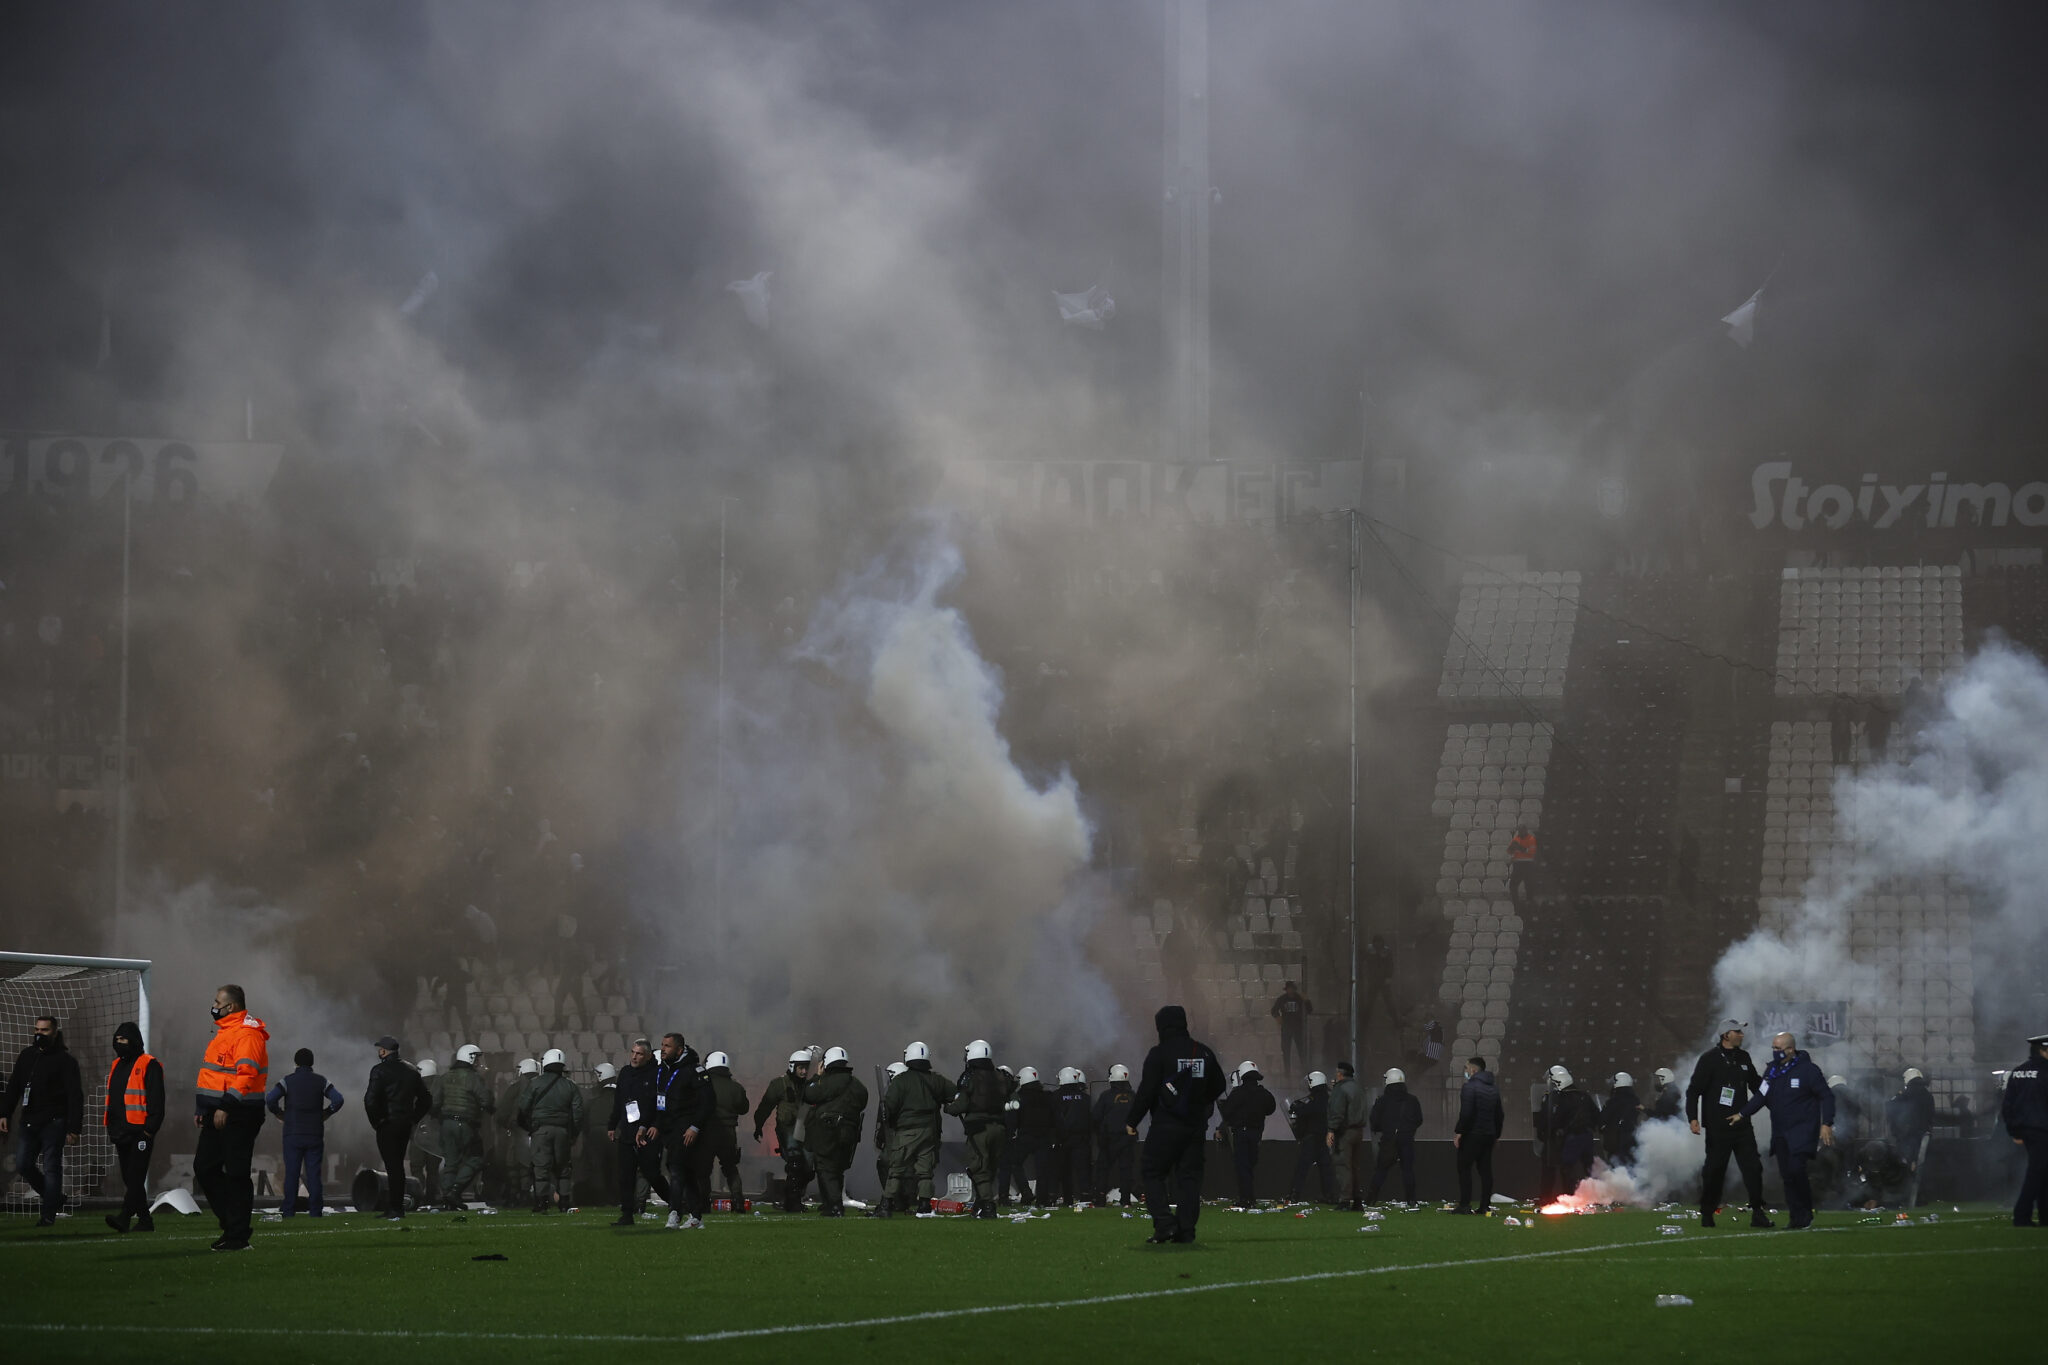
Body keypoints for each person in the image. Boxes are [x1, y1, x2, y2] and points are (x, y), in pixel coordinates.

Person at [1126, 1003, 1226, 1244]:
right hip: (1194, 1128)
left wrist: (1132, 1120)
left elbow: (1146, 1091)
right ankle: (1186, 1231)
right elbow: (1219, 1086)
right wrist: (1199, 1103)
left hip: (1165, 1125)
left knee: (1152, 1172)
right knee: (1189, 1179)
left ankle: (1164, 1223)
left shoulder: (1159, 1054)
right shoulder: (1203, 1052)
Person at [194, 985, 270, 1251]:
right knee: (204, 1168)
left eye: (217, 1002)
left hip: (239, 1113)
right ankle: (233, 1225)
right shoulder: (226, 1033)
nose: (214, 1006)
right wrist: (203, 1109)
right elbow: (213, 1077)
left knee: (236, 1174)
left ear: (231, 1007)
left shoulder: (248, 1035)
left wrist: (225, 1106)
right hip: (219, 1112)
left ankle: (237, 1235)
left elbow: (246, 1075)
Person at [1737, 1032, 1835, 1229]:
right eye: (1773, 1048)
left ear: (1790, 1049)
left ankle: (1805, 1212)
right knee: (1787, 1176)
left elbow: (1827, 1096)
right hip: (1780, 1132)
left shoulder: (1808, 1070)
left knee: (1797, 1169)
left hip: (1803, 1130)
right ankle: (1795, 1217)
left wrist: (1826, 1123)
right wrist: (1742, 1113)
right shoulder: (1772, 1071)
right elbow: (1761, 1096)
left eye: (1778, 1049)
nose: (1775, 1052)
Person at [1687, 1021, 1772, 1229]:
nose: (1742, 1034)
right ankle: (1707, 1213)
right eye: (1738, 1031)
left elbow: (1756, 1084)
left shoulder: (1743, 1057)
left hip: (1742, 1125)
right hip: (1718, 1127)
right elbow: (1693, 1091)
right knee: (1714, 1171)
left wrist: (1775, 1087)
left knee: (1753, 1168)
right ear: (1726, 1035)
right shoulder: (1709, 1059)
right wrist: (1693, 1118)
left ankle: (1757, 1213)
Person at [1, 1015, 83, 1227]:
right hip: (28, 1122)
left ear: (55, 1033)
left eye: (44, 1030)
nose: (39, 1034)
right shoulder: (27, 1056)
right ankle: (54, 1198)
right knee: (23, 1164)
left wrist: (74, 1127)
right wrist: (5, 1113)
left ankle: (48, 1215)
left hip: (54, 1122)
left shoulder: (66, 1061)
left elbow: (75, 1096)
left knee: (51, 1167)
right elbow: (14, 1088)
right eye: (37, 1030)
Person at [101, 1021, 164, 1233]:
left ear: (134, 1040)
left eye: (124, 1039)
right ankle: (146, 1221)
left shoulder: (149, 1064)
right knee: (130, 1179)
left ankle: (124, 1218)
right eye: (117, 1039)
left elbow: (157, 1100)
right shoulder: (116, 1064)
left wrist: (149, 1130)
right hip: (120, 1131)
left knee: (135, 1177)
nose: (119, 1043)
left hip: (140, 1132)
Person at [265, 1047, 342, 1218]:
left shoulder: (287, 1081)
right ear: (312, 1063)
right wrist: (326, 1113)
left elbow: (270, 1099)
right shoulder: (321, 1081)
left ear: (295, 1062)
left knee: (291, 1173)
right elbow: (338, 1099)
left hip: (292, 1133)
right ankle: (315, 1211)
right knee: (314, 1174)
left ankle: (288, 1210)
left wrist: (279, 1113)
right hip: (314, 1132)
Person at [873, 1041, 948, 1216]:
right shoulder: (933, 1082)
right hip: (928, 1135)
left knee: (896, 1168)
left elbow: (889, 1110)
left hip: (906, 1133)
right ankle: (923, 1205)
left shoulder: (902, 1083)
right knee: (924, 1172)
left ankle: (888, 1204)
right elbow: (953, 1095)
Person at [363, 1035, 433, 1220]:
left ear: (384, 1051)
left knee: (393, 1167)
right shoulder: (411, 1070)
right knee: (398, 1167)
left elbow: (370, 1100)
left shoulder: (379, 1070)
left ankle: (395, 1208)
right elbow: (426, 1099)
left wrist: (376, 1122)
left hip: (387, 1125)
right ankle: (395, 1207)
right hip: (404, 1125)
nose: (379, 1051)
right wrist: (413, 1119)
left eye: (380, 1049)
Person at [608, 1037, 674, 1226]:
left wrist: (655, 1125)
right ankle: (627, 1214)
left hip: (648, 1134)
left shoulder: (658, 1074)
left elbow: (661, 1105)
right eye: (633, 1052)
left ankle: (676, 1204)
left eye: (639, 1054)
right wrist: (612, 1125)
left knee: (652, 1173)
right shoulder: (626, 1073)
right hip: (628, 1131)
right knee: (625, 1175)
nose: (634, 1057)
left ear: (648, 1056)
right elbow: (619, 1101)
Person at [652, 1032, 714, 1230]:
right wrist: (656, 1124)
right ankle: (696, 1217)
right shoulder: (662, 1070)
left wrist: (694, 1126)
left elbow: (708, 1101)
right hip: (668, 1129)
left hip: (686, 1128)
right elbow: (660, 1102)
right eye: (662, 1045)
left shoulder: (694, 1071)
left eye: (667, 1046)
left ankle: (675, 1213)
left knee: (676, 1168)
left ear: (679, 1050)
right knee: (685, 1172)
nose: (663, 1049)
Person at [802, 1045, 869, 1217]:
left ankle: (835, 1206)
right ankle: (829, 1204)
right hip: (850, 1132)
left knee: (825, 1168)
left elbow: (808, 1094)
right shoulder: (857, 1084)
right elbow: (863, 1100)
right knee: (837, 1169)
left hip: (827, 1131)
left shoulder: (825, 1081)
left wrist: (817, 1075)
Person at [946, 1039, 1009, 1219]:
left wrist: (949, 1108)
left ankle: (987, 1205)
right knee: (990, 1167)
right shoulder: (1001, 1076)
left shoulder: (971, 1077)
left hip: (979, 1129)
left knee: (978, 1167)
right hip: (1000, 1128)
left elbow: (962, 1103)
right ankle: (981, 1203)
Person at [517, 1048, 584, 1215]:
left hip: (540, 1130)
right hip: (562, 1131)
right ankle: (564, 1202)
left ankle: (541, 1203)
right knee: (563, 1169)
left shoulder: (535, 1083)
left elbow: (523, 1108)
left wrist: (529, 1127)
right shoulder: (570, 1086)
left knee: (541, 1168)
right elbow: (577, 1114)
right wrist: (573, 1134)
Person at [753, 1049, 815, 1211]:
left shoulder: (809, 1086)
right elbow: (765, 1106)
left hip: (804, 1130)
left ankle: (790, 1198)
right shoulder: (779, 1084)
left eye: (806, 1068)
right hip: (786, 1129)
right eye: (800, 1068)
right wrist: (758, 1126)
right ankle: (793, 1202)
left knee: (809, 1169)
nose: (804, 1071)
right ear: (792, 1066)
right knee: (795, 1163)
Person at [1999, 1031, 2048, 1227]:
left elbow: (2008, 1105)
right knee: (2037, 1172)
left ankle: (2045, 1216)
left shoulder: (2018, 1072)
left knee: (2043, 1172)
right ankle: (2021, 1215)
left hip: (2026, 1130)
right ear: (2044, 1050)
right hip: (2043, 1129)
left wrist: (2014, 1131)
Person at [436, 1043, 495, 1208]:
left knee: (450, 1163)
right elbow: (487, 1101)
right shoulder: (474, 1078)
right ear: (470, 1058)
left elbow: (434, 1103)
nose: (478, 1062)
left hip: (446, 1124)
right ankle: (455, 1192)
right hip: (466, 1124)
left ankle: (448, 1198)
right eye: (476, 1058)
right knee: (476, 1158)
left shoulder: (445, 1077)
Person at [1218, 1061, 1276, 1208]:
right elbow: (1271, 1108)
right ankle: (1249, 1197)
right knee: (1249, 1165)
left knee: (1242, 1166)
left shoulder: (1238, 1093)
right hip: (1256, 1134)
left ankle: (1246, 1198)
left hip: (1241, 1134)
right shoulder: (1264, 1093)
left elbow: (1227, 1112)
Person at [1452, 1056, 1503, 1214]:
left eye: (1466, 1068)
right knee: (1485, 1170)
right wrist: (1496, 1135)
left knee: (1464, 1168)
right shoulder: (1494, 1088)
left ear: (1473, 1070)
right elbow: (1499, 1115)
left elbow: (1466, 1113)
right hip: (1488, 1135)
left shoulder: (1469, 1087)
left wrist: (1459, 1131)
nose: (1465, 1071)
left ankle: (1465, 1205)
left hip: (1472, 1134)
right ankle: (1484, 1206)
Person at [1537, 1066, 1599, 1196]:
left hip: (1559, 1139)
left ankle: (1548, 1198)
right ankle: (1595, 1196)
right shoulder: (1584, 1096)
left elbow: (1547, 1119)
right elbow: (1596, 1116)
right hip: (1585, 1137)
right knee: (1588, 1170)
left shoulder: (1555, 1098)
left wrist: (1544, 1134)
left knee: (1555, 1170)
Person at [1366, 1067, 1423, 1204]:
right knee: (1407, 1170)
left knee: (1381, 1170)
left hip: (1389, 1139)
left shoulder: (1382, 1100)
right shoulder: (1412, 1100)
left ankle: (1371, 1199)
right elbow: (1418, 1119)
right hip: (1407, 1138)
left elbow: (1374, 1121)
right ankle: (1411, 1199)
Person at [702, 1051, 749, 1208]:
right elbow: (744, 1108)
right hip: (728, 1133)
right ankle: (738, 1201)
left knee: (704, 1168)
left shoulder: (703, 1084)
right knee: (730, 1168)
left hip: (707, 1132)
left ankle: (703, 1202)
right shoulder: (736, 1087)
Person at [1011, 1066, 1058, 1206]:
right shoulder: (1048, 1096)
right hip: (1044, 1138)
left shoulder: (1019, 1097)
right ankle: (1042, 1200)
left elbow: (1014, 1118)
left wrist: (1012, 1132)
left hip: (1026, 1137)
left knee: (1015, 1163)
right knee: (1042, 1170)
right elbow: (1055, 1118)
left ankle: (1026, 1193)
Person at [496, 1057, 539, 1209]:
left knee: (516, 1164)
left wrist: (507, 1124)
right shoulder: (543, 1085)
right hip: (538, 1131)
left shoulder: (515, 1087)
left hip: (519, 1131)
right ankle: (528, 1194)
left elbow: (501, 1112)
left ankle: (516, 1195)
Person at [1092, 1062, 1137, 1205]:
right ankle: (1125, 1200)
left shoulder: (1106, 1096)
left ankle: (1100, 1199)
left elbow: (1096, 1116)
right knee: (1126, 1171)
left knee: (1103, 1170)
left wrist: (1100, 1133)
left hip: (1109, 1139)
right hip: (1128, 1139)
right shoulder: (1133, 1096)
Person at [1287, 1070, 1335, 1204]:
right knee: (1325, 1168)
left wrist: (1298, 1108)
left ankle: (1294, 1195)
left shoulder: (1318, 1099)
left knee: (1302, 1167)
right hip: (1324, 1138)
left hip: (1313, 1138)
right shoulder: (1328, 1097)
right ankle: (1329, 1195)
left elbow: (1310, 1110)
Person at [1050, 1067, 1094, 1206]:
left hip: (1063, 1140)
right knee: (1083, 1170)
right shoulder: (1086, 1098)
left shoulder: (1055, 1096)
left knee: (1063, 1171)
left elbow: (1053, 1119)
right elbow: (1093, 1118)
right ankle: (1086, 1197)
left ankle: (1066, 1198)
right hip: (1082, 1140)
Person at [1326, 1061, 1367, 1210]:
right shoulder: (1357, 1087)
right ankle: (1357, 1200)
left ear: (1340, 1074)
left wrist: (1331, 1130)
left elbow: (1337, 1111)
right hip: (1358, 1131)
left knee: (1343, 1166)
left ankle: (1344, 1200)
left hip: (1344, 1132)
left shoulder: (1340, 1089)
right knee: (1354, 1167)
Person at [411, 1057, 444, 1205]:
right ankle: (432, 1196)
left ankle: (418, 1195)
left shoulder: (414, 1087)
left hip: (417, 1134)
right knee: (433, 1169)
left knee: (417, 1166)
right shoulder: (441, 1086)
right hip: (435, 1134)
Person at [1598, 1072, 1645, 1167]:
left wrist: (1602, 1128)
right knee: (1631, 1163)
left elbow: (1603, 1118)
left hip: (1617, 1137)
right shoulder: (1635, 1099)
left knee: (1616, 1164)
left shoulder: (1614, 1101)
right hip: (1632, 1135)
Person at [1270, 982, 1313, 1075]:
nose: (1290, 990)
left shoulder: (1299, 998)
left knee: (1301, 1050)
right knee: (1286, 1050)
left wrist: (1306, 1000)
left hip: (1298, 1028)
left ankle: (1304, 1070)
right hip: (1286, 1028)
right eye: (1289, 989)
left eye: (1292, 988)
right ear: (1287, 989)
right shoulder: (1282, 999)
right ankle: (1287, 1072)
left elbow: (1310, 1010)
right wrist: (1278, 1018)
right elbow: (1273, 1011)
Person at [1360, 937, 1399, 1036]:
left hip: (1382, 981)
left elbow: (1390, 965)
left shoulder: (1385, 951)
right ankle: (1364, 1022)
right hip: (1374, 980)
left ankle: (1396, 1021)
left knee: (1388, 1002)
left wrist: (1388, 977)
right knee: (1370, 1003)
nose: (1378, 945)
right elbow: (1363, 961)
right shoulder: (1370, 951)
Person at [1507, 824, 1537, 905]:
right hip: (1518, 865)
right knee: (1513, 885)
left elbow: (1531, 852)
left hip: (1528, 865)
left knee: (1529, 884)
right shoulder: (1517, 838)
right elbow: (1509, 851)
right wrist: (1512, 848)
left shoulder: (1531, 839)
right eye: (1519, 831)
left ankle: (1529, 901)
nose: (1520, 833)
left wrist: (1519, 847)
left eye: (1522, 831)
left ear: (1525, 831)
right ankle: (1516, 902)